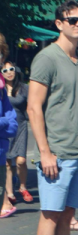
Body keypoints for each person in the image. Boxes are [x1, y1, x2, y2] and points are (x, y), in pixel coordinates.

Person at [29, 2, 78, 235]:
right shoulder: (47, 58)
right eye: (73, 20)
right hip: (56, 151)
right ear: (59, 24)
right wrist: (45, 152)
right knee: (50, 215)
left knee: (67, 216)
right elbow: (34, 108)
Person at [3, 61, 30, 205]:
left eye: (11, 69)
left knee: (21, 161)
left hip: (21, 126)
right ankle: (10, 193)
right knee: (7, 163)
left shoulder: (25, 88)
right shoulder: (1, 89)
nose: (9, 72)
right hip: (6, 128)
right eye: (5, 70)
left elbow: (32, 106)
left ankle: (23, 187)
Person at [0, 32, 18, 219]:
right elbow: (8, 120)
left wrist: (5, 123)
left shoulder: (1, 85)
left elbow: (13, 124)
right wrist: (4, 122)